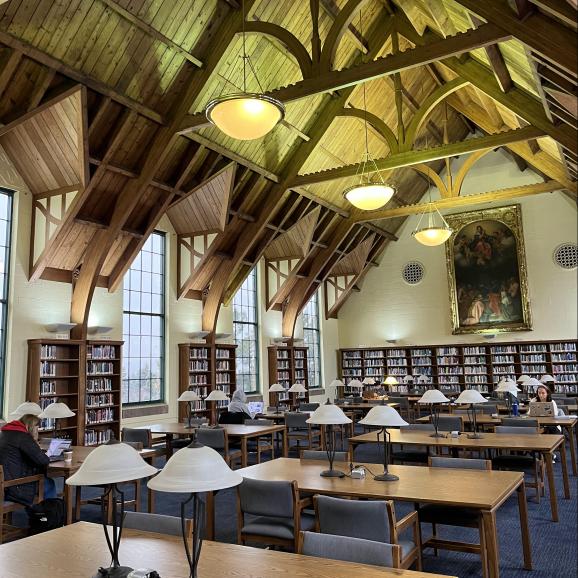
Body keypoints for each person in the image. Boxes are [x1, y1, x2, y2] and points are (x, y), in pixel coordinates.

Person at [0, 414, 57, 505]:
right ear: (32, 427)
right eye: (37, 428)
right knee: (49, 483)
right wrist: (34, 440)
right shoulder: (23, 437)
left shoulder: (4, 433)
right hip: (14, 487)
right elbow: (43, 460)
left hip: (4, 483)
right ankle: (48, 514)